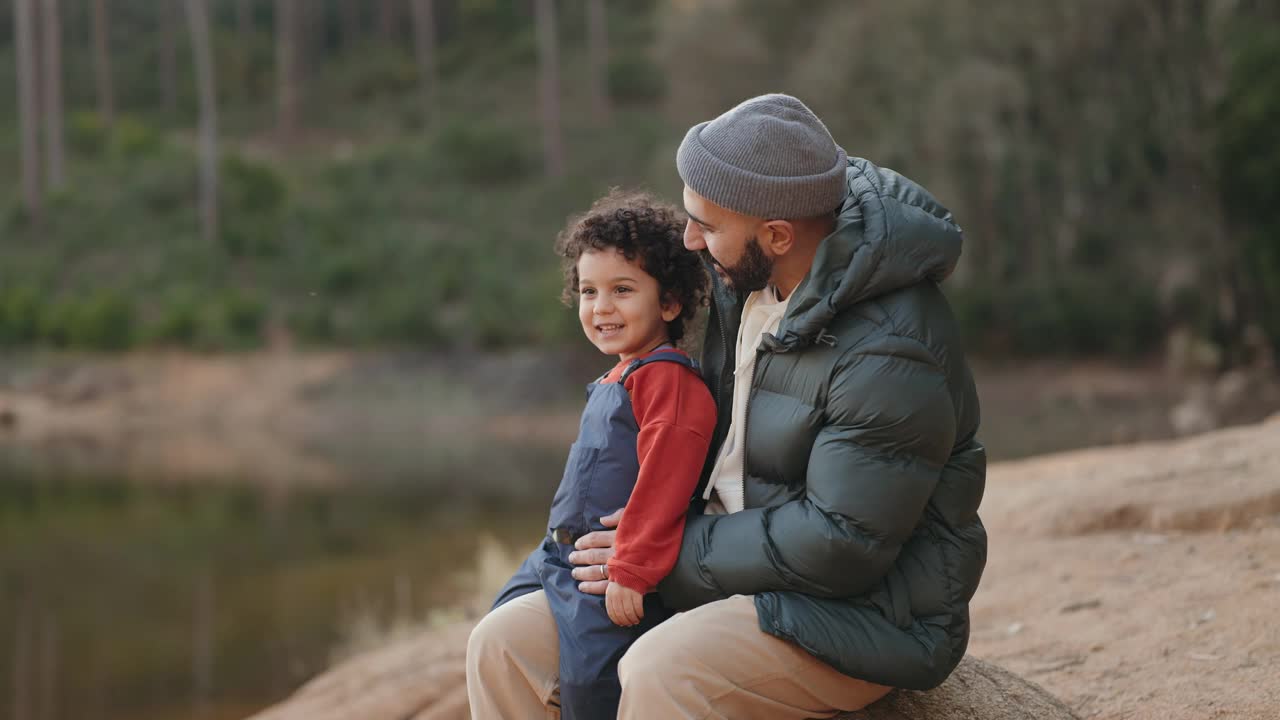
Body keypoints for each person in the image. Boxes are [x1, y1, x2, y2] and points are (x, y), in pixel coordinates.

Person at [468, 93, 987, 719]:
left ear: (776, 234)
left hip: (858, 612)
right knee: (501, 646)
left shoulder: (892, 348)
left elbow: (841, 543)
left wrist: (662, 553)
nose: (688, 241)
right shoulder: (745, 279)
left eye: (707, 226)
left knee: (660, 671)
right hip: (717, 574)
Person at [467, 191, 717, 720]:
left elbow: (666, 480)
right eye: (588, 291)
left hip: (604, 571)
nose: (601, 307)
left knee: (591, 687)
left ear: (669, 303)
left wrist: (632, 567)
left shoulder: (667, 377)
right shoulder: (618, 375)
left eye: (622, 290)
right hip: (555, 555)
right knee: (495, 636)